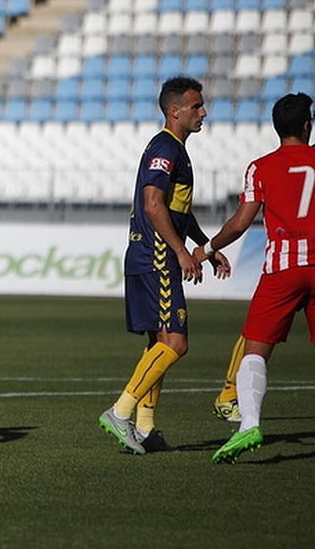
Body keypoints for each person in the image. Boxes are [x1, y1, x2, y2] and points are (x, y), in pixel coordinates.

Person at [98, 76, 225, 455]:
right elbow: (153, 204)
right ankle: (120, 412)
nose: (203, 112)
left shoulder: (175, 150)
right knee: (176, 343)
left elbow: (176, 208)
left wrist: (204, 243)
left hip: (150, 253)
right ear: (175, 111)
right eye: (196, 106)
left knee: (159, 343)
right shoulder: (165, 149)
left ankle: (147, 427)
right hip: (157, 256)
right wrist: (182, 252)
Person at [194, 93, 315, 464]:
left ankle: (249, 424)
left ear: (276, 129)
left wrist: (208, 247)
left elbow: (242, 222)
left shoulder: (260, 167)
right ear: (307, 127)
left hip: (282, 269)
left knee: (255, 351)